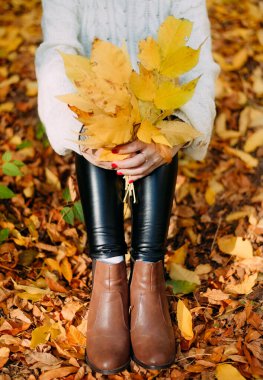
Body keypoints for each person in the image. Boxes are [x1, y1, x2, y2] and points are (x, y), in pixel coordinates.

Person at [35, 0, 220, 375]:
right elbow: (57, 51)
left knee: (159, 123)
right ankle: (110, 275)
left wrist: (172, 137)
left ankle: (147, 279)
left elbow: (200, 61)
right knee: (101, 125)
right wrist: (83, 133)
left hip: (157, 105)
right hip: (95, 102)